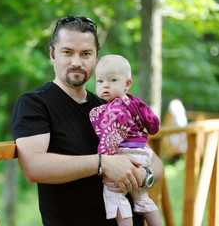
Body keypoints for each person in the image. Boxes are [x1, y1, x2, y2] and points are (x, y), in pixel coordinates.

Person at [10, 16, 164, 226]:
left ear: (95, 58)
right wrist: (102, 164)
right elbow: (33, 166)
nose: (76, 62)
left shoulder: (110, 105)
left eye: (85, 54)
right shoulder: (35, 103)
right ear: (52, 54)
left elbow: (154, 160)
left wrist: (144, 174)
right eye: (67, 52)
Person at [89, 55, 162, 226]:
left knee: (115, 197)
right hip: (141, 155)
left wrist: (103, 161)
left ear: (127, 84)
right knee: (142, 199)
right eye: (100, 81)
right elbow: (152, 122)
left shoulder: (114, 110)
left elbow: (111, 138)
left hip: (125, 154)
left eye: (113, 80)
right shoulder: (133, 102)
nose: (105, 85)